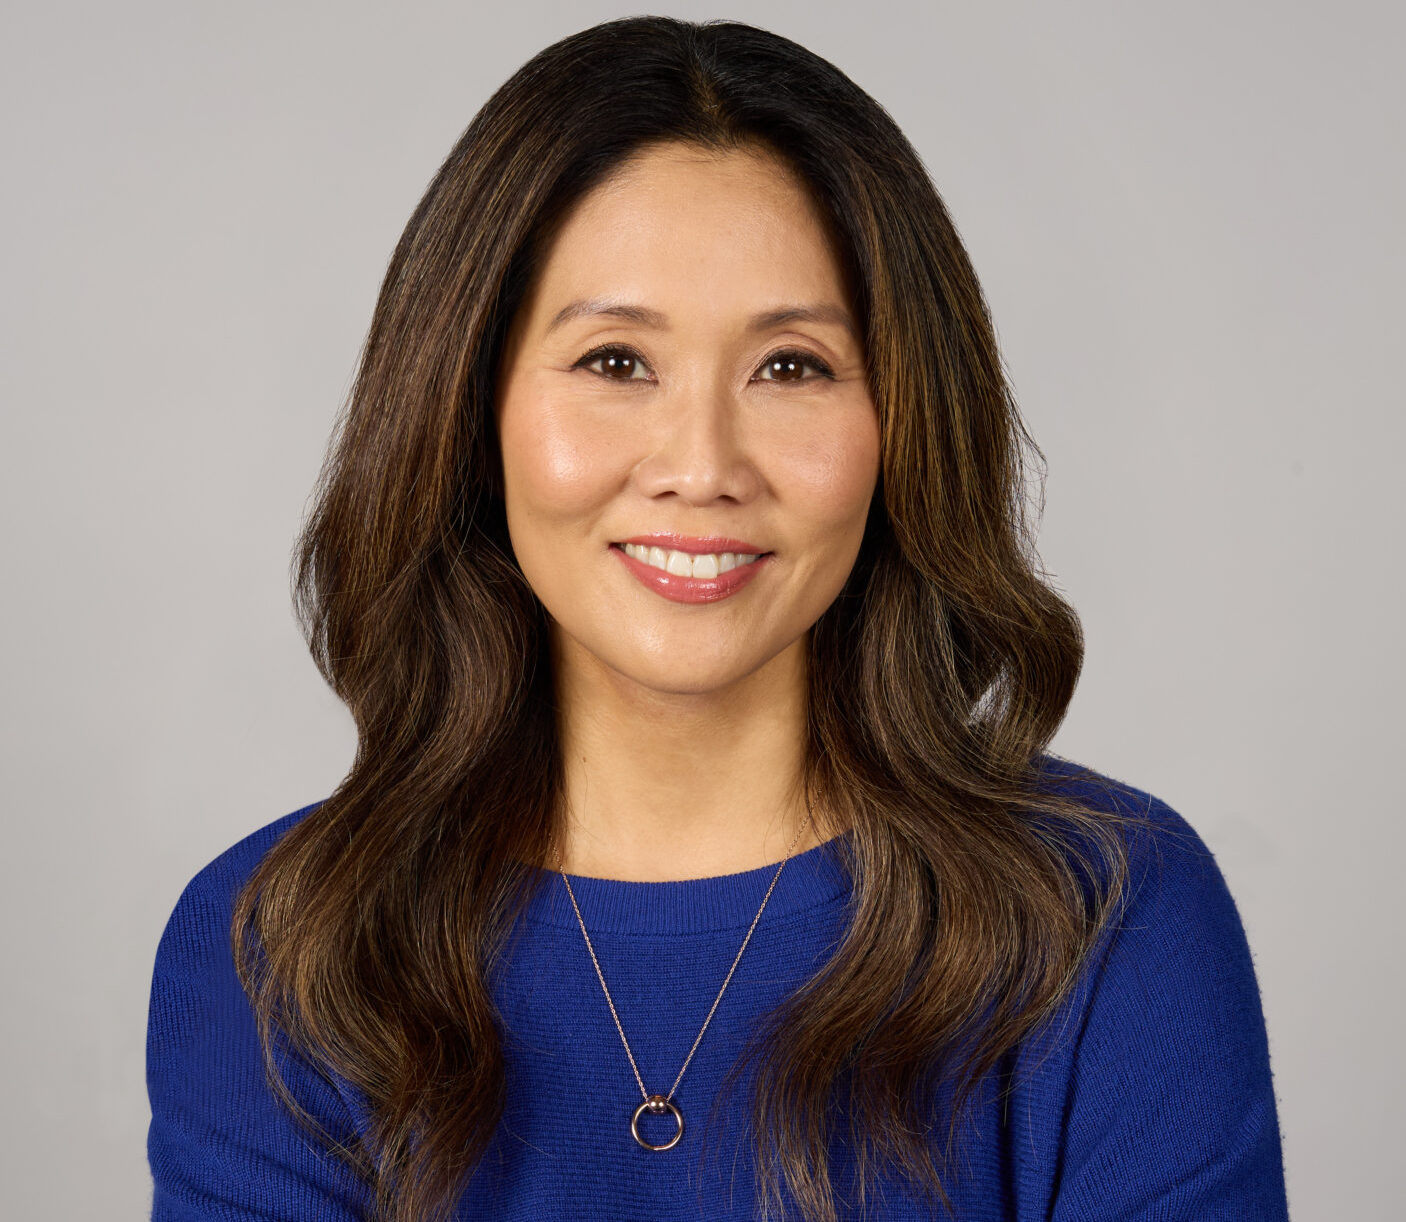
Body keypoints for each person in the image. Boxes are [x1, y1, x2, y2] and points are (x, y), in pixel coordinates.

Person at [145, 15, 1289, 1222]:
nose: (700, 466)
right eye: (614, 362)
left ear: (900, 422)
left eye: (789, 366)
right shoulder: (282, 950)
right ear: (468, 402)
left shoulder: (1104, 916)